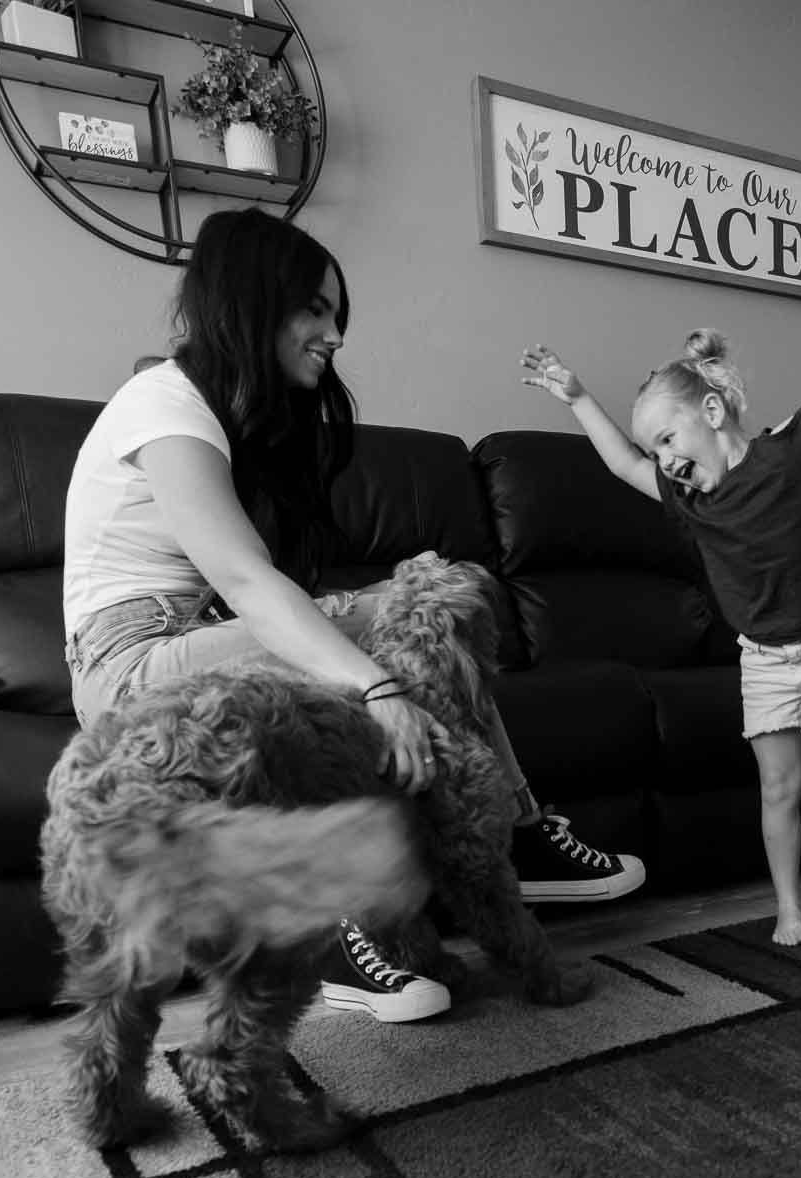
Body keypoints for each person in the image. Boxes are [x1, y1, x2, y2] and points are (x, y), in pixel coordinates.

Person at [61, 209, 645, 1025]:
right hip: (134, 667)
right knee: (418, 606)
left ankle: (474, 856)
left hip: (197, 641)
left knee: (436, 601)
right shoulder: (161, 403)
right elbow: (245, 579)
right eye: (314, 310)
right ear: (251, 303)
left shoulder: (236, 423)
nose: (333, 334)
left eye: (337, 315)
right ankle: (495, 840)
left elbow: (262, 591)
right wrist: (376, 689)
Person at [517, 277, 801, 943]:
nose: (666, 461)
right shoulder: (692, 502)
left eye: (670, 440)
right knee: (778, 788)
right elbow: (622, 466)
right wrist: (578, 397)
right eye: (658, 451)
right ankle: (788, 904)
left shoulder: (788, 448)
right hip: (763, 656)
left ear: (710, 412)